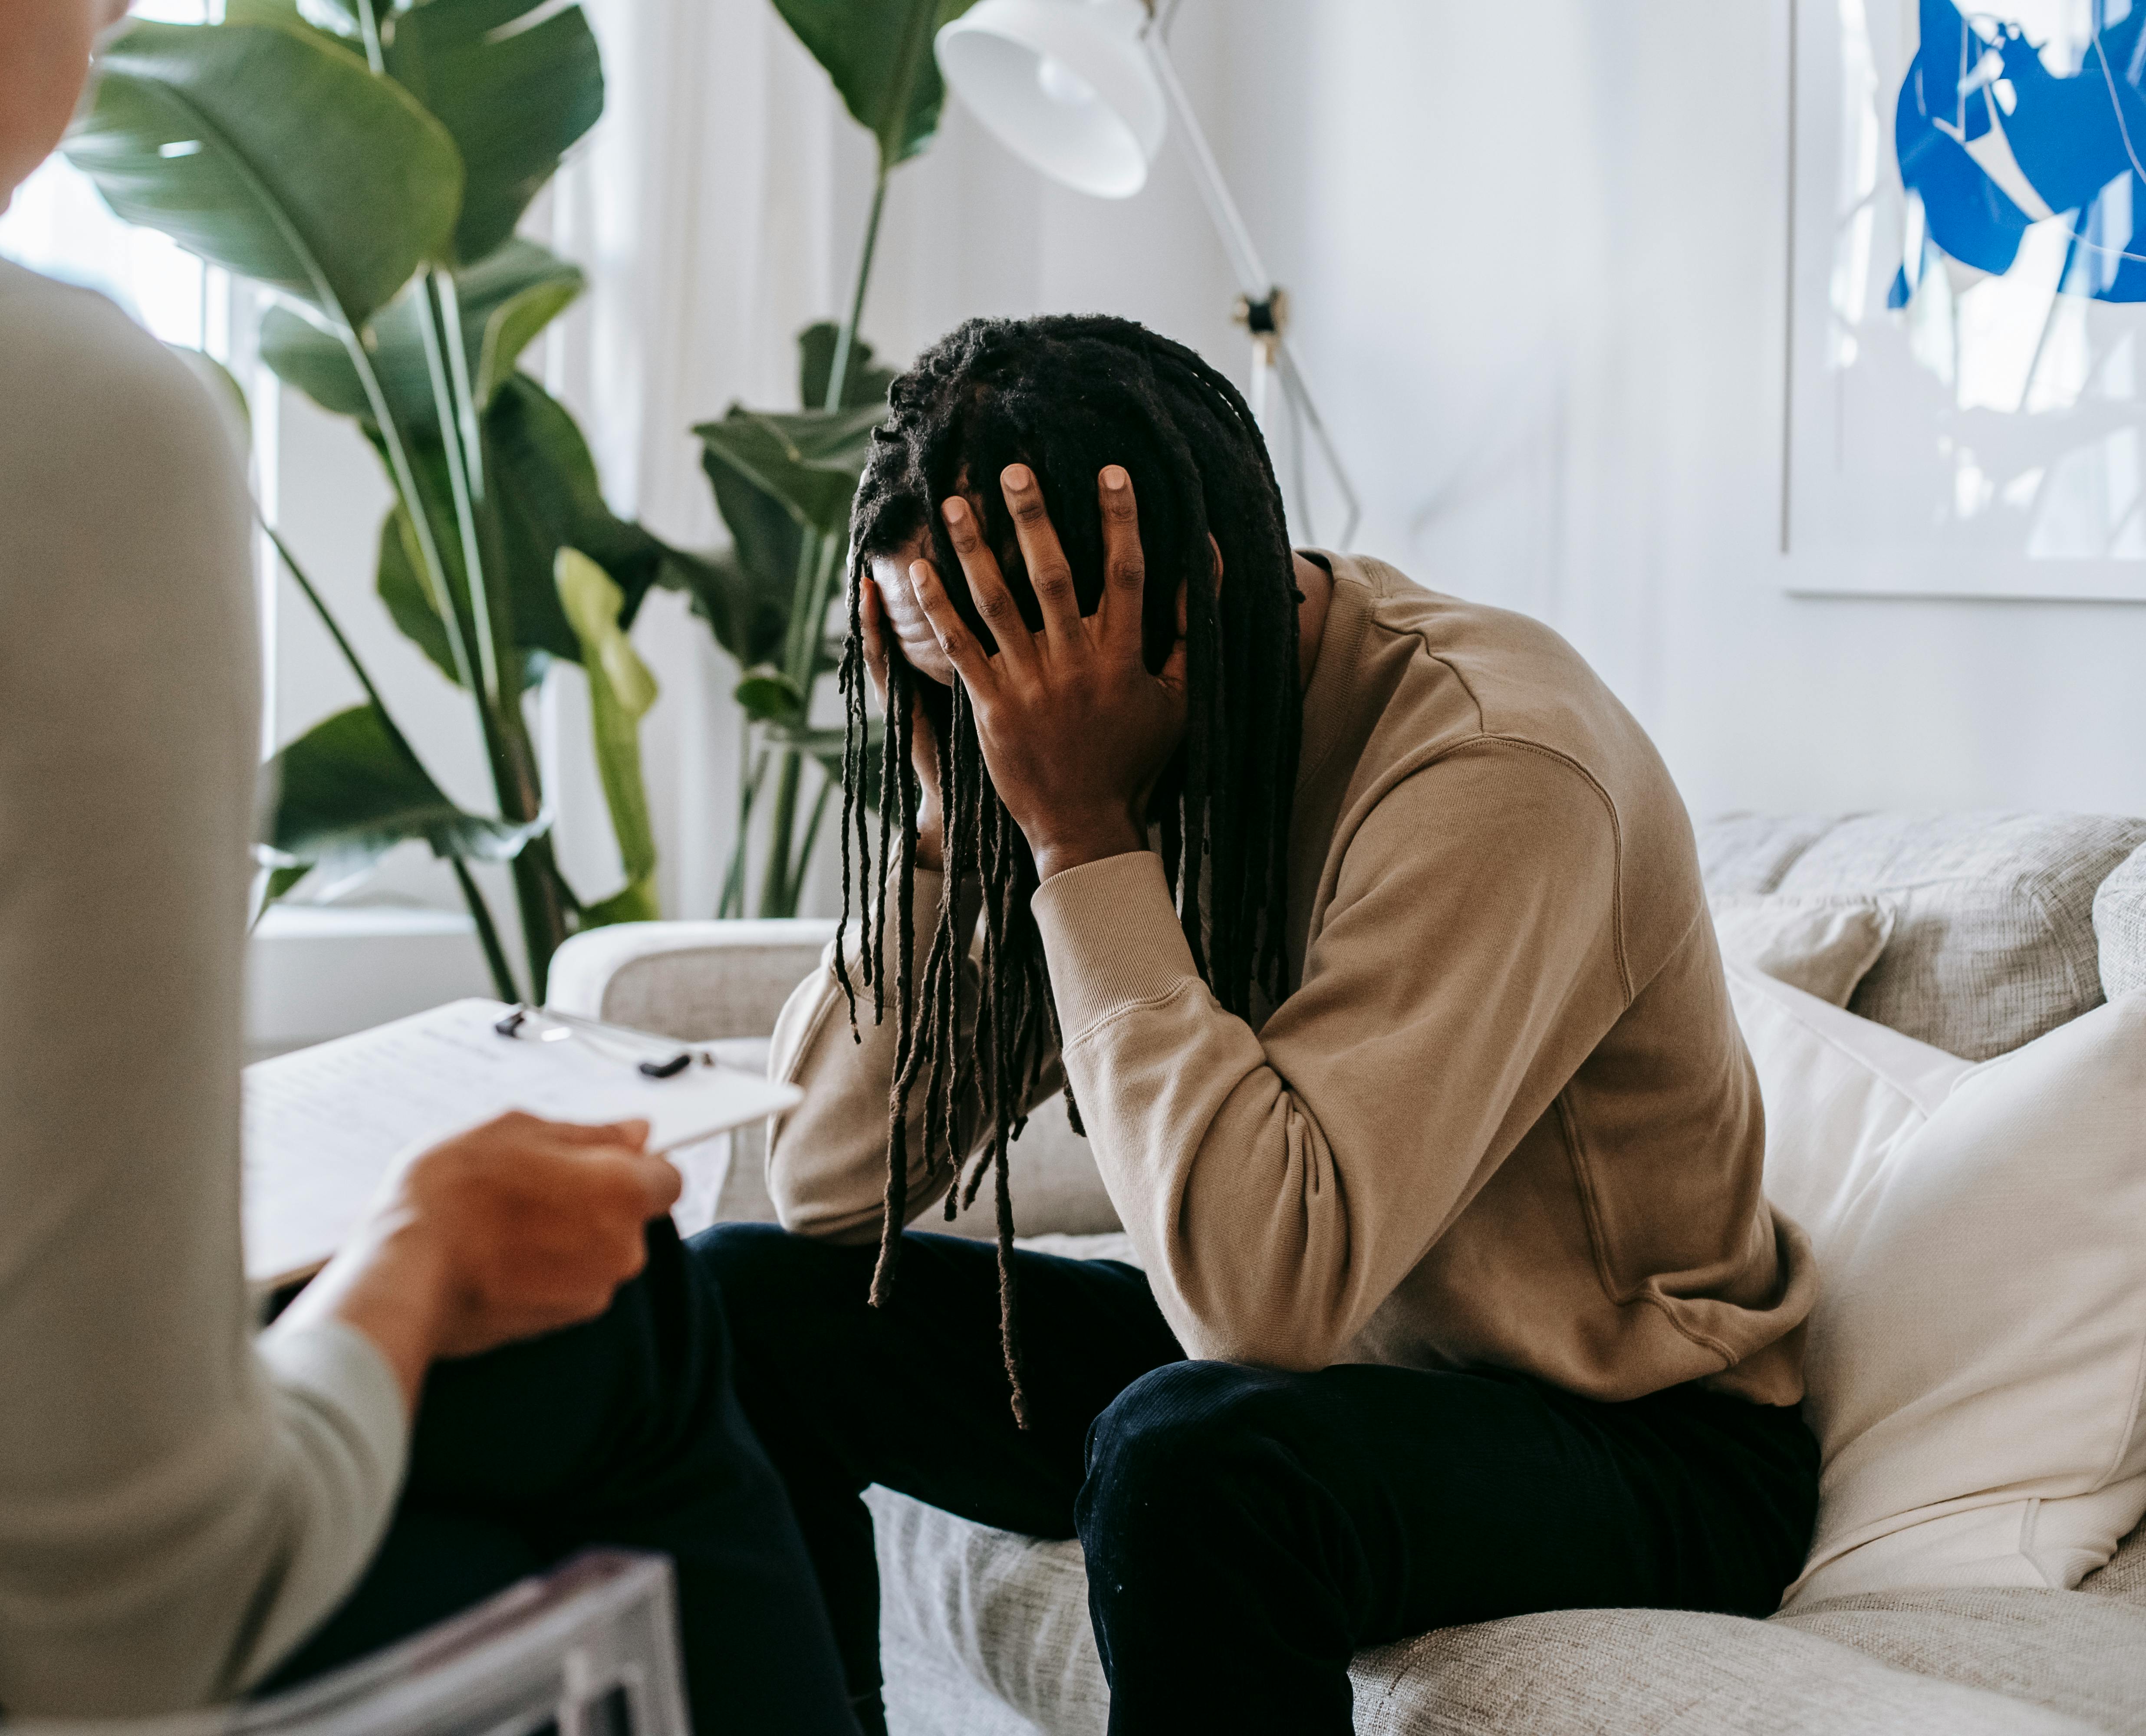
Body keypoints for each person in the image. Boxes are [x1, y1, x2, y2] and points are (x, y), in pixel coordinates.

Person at [0, 2, 854, 1727]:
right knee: (634, 1347)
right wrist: (417, 1260)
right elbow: (122, 1626)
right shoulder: (16, 412)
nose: (101, 44)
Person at [689, 314, 1821, 1736]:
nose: (993, 722)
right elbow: (829, 1185)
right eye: (945, 674)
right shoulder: (1078, 740)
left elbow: (1263, 1300)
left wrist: (1082, 836)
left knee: (1192, 1458)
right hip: (1333, 1367)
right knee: (732, 1304)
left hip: (1638, 1437)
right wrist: (945, 821)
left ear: (1194, 597)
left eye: (1005, 675)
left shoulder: (1495, 765)